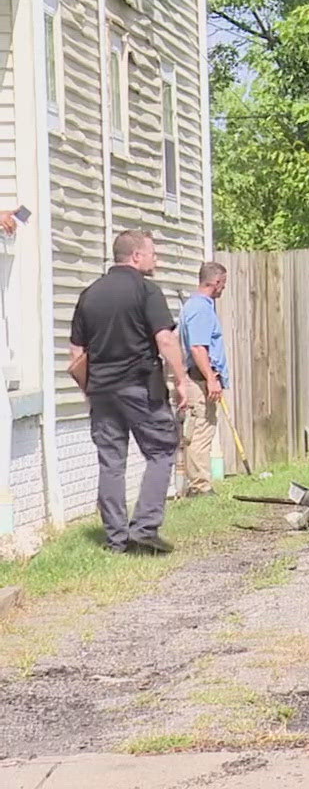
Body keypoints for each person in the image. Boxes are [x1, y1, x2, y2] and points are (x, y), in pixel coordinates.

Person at [68, 230, 193, 554]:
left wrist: (90, 390)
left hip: (102, 390)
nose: (157, 260)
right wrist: (181, 380)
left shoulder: (89, 294)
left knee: (111, 461)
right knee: (162, 450)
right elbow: (165, 340)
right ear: (136, 256)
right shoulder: (146, 290)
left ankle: (116, 540)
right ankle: (144, 528)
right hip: (139, 386)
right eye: (153, 253)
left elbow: (76, 352)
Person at [176, 261, 229, 496]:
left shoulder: (200, 306)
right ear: (216, 281)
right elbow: (198, 347)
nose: (223, 289)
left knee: (203, 431)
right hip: (199, 381)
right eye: (223, 284)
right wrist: (211, 378)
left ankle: (200, 484)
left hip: (200, 380)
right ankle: (200, 488)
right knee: (199, 432)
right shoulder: (199, 308)